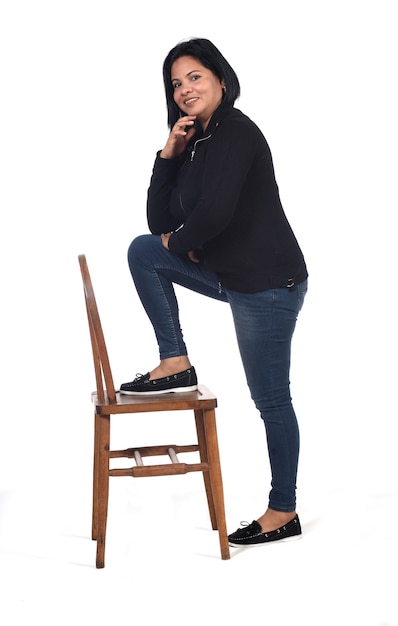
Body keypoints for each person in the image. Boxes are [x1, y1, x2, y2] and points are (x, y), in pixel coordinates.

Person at [120, 38, 308, 547]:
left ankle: (283, 510)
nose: (184, 90)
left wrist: (186, 242)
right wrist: (169, 153)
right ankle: (174, 360)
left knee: (270, 401)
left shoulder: (237, 133)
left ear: (221, 79)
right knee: (144, 251)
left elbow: (215, 214)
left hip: (268, 285)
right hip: (231, 274)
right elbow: (161, 223)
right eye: (176, 84)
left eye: (195, 77)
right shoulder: (197, 141)